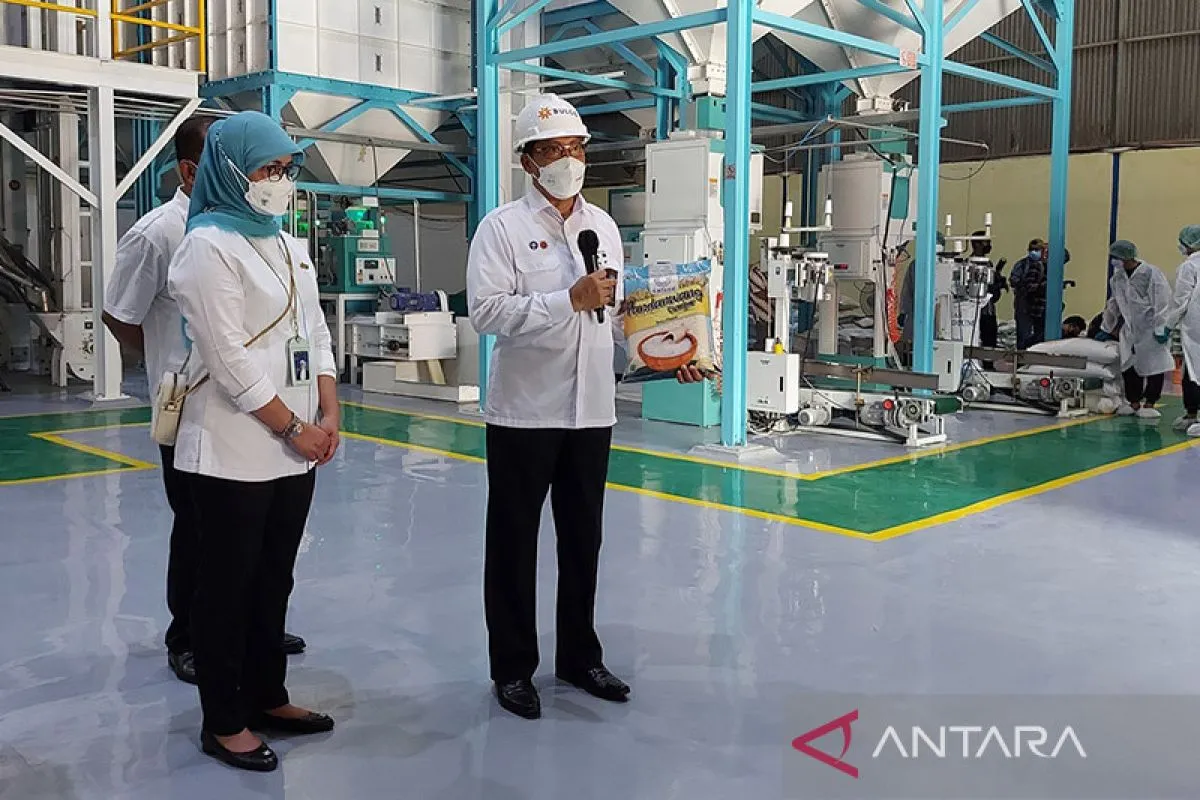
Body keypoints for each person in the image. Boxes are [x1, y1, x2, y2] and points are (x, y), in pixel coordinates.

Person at [468, 94, 688, 721]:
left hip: (592, 411)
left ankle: (578, 657)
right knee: (513, 544)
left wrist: (664, 349)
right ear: (527, 160)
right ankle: (513, 669)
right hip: (525, 413)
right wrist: (567, 299)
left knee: (583, 540)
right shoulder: (502, 229)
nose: (568, 160)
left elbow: (615, 315)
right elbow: (486, 313)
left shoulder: (604, 228)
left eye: (575, 148)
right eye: (553, 150)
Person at [101, 116, 305, 688]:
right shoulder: (162, 233)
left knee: (258, 538)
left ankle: (254, 629)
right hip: (195, 407)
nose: (275, 180)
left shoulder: (264, 230)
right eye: (263, 167)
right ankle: (189, 637)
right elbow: (119, 315)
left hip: (263, 406)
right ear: (193, 170)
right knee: (199, 530)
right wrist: (174, 362)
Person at [168, 111, 339, 771]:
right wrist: (294, 427)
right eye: (269, 168)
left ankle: (268, 695)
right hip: (234, 445)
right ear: (231, 171)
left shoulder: (287, 242)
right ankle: (223, 719)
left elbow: (315, 329)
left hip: (297, 446)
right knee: (226, 585)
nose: (280, 180)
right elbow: (228, 357)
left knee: (274, 578)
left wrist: (328, 408)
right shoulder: (207, 245)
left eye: (287, 168)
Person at [1098, 240, 1174, 419]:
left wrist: (1162, 326)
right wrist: (1107, 325)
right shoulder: (1117, 278)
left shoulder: (1150, 273)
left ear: (1126, 257)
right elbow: (1114, 302)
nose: (1113, 261)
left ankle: (1150, 402)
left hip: (1150, 327)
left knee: (1154, 365)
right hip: (1130, 329)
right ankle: (1133, 401)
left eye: (1116, 257)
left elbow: (1162, 300)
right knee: (1128, 365)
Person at [1165, 225, 1200, 435]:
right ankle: (1191, 414)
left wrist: (1167, 325)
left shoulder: (1189, 267)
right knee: (1191, 372)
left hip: (1195, 329)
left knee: (1194, 372)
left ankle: (1193, 415)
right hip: (1195, 329)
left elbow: (1181, 300)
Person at [972, 233, 1008, 352]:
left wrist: (999, 282)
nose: (989, 245)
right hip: (977, 311)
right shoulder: (970, 264)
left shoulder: (988, 263)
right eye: (986, 242)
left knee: (991, 342)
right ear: (977, 244)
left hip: (989, 309)